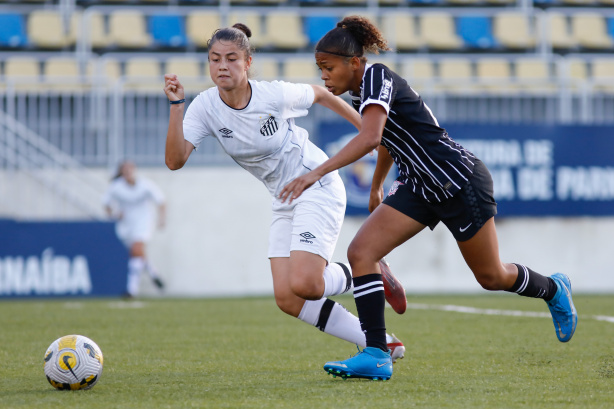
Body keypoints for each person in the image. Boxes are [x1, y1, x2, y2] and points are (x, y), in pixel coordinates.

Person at [279, 15, 578, 381]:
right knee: (361, 253)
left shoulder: (376, 77)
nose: (324, 76)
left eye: (328, 68)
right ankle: (376, 353)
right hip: (420, 186)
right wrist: (376, 185)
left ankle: (553, 288)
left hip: (459, 181)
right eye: (319, 69)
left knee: (491, 276)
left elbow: (371, 137)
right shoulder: (363, 92)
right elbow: (385, 138)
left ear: (354, 62)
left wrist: (316, 173)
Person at [163, 23, 407, 363]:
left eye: (232, 59)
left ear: (247, 63)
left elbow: (322, 95)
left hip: (316, 184)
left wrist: (365, 129)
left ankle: (369, 272)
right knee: (289, 299)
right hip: (284, 198)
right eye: (215, 59)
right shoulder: (204, 107)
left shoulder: (272, 95)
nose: (222, 66)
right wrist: (177, 105)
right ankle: (384, 344)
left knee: (307, 284)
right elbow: (175, 160)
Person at [103, 160, 166, 298]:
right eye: (125, 170)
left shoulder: (145, 185)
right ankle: (153, 272)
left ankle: (131, 290)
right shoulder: (116, 187)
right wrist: (114, 214)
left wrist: (161, 219)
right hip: (125, 226)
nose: (128, 173)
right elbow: (106, 204)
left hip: (143, 223)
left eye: (130, 169)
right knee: (137, 254)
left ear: (134, 170)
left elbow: (161, 201)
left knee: (137, 250)